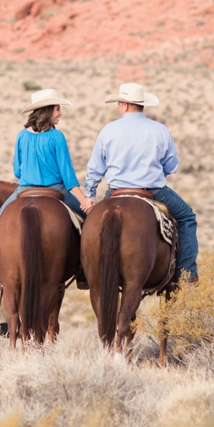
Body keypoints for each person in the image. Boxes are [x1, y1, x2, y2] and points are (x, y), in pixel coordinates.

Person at [84, 82, 199, 285]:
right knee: (187, 218)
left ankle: (85, 271)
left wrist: (90, 194)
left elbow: (95, 168)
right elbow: (172, 165)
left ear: (125, 105)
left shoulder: (108, 130)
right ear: (141, 104)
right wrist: (153, 172)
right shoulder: (160, 130)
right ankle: (186, 273)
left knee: (92, 224)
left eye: (119, 103)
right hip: (153, 191)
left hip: (116, 191)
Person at [0, 88, 95, 289]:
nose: (60, 113)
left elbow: (17, 170)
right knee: (88, 221)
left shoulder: (21, 136)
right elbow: (68, 176)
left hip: (24, 189)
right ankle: (82, 273)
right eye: (57, 109)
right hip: (56, 189)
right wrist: (84, 201)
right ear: (46, 111)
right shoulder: (57, 137)